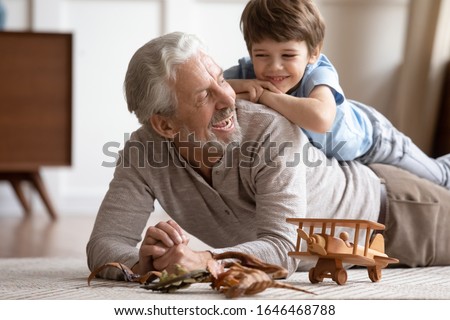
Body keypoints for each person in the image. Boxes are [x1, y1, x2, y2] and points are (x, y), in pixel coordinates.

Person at [87, 31, 450, 281]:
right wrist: (144, 262)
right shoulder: (142, 151)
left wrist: (203, 262)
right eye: (203, 96)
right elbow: (104, 242)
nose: (229, 98)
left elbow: (282, 247)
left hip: (399, 210)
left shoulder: (270, 131)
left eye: (221, 79)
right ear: (164, 126)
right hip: (338, 250)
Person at [224, 0, 450, 189]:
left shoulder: (318, 72)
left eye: (288, 55)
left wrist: (264, 96)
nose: (274, 66)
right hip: (343, 157)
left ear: (313, 53)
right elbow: (206, 88)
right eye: (262, 54)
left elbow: (320, 119)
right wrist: (241, 84)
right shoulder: (248, 73)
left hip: (375, 141)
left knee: (438, 177)